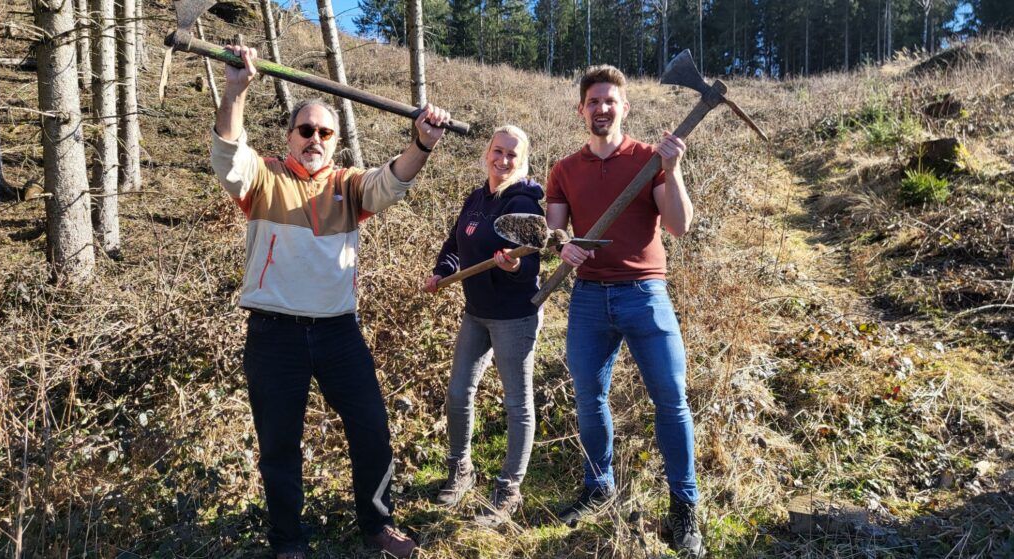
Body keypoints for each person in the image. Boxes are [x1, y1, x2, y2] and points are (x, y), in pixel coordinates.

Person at [210, 44, 450, 559]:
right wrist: (235, 92)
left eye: (324, 133)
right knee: (279, 445)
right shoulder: (263, 176)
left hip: (339, 332)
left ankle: (378, 526)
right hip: (274, 333)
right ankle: (288, 542)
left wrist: (422, 143)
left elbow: (392, 182)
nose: (314, 139)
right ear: (289, 136)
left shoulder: (349, 185)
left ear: (336, 142)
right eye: (306, 130)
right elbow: (228, 156)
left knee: (372, 430)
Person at [545, 65, 705, 558]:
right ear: (581, 110)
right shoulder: (564, 169)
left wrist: (672, 169)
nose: (602, 108)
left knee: (671, 398)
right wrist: (562, 245)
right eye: (593, 101)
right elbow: (554, 230)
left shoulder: (648, 159)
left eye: (610, 101)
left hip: (645, 293)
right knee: (589, 398)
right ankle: (599, 487)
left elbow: (679, 225)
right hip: (589, 297)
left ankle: (684, 508)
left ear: (624, 108)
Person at [423, 125, 543, 527]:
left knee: (517, 403)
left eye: (512, 154)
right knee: (458, 392)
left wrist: (514, 266)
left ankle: (509, 488)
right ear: (487, 153)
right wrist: (442, 272)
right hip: (475, 311)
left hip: (514, 316)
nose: (503, 160)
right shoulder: (475, 200)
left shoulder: (524, 202)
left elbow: (531, 265)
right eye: (498, 151)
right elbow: (455, 246)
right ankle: (461, 469)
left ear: (522, 160)